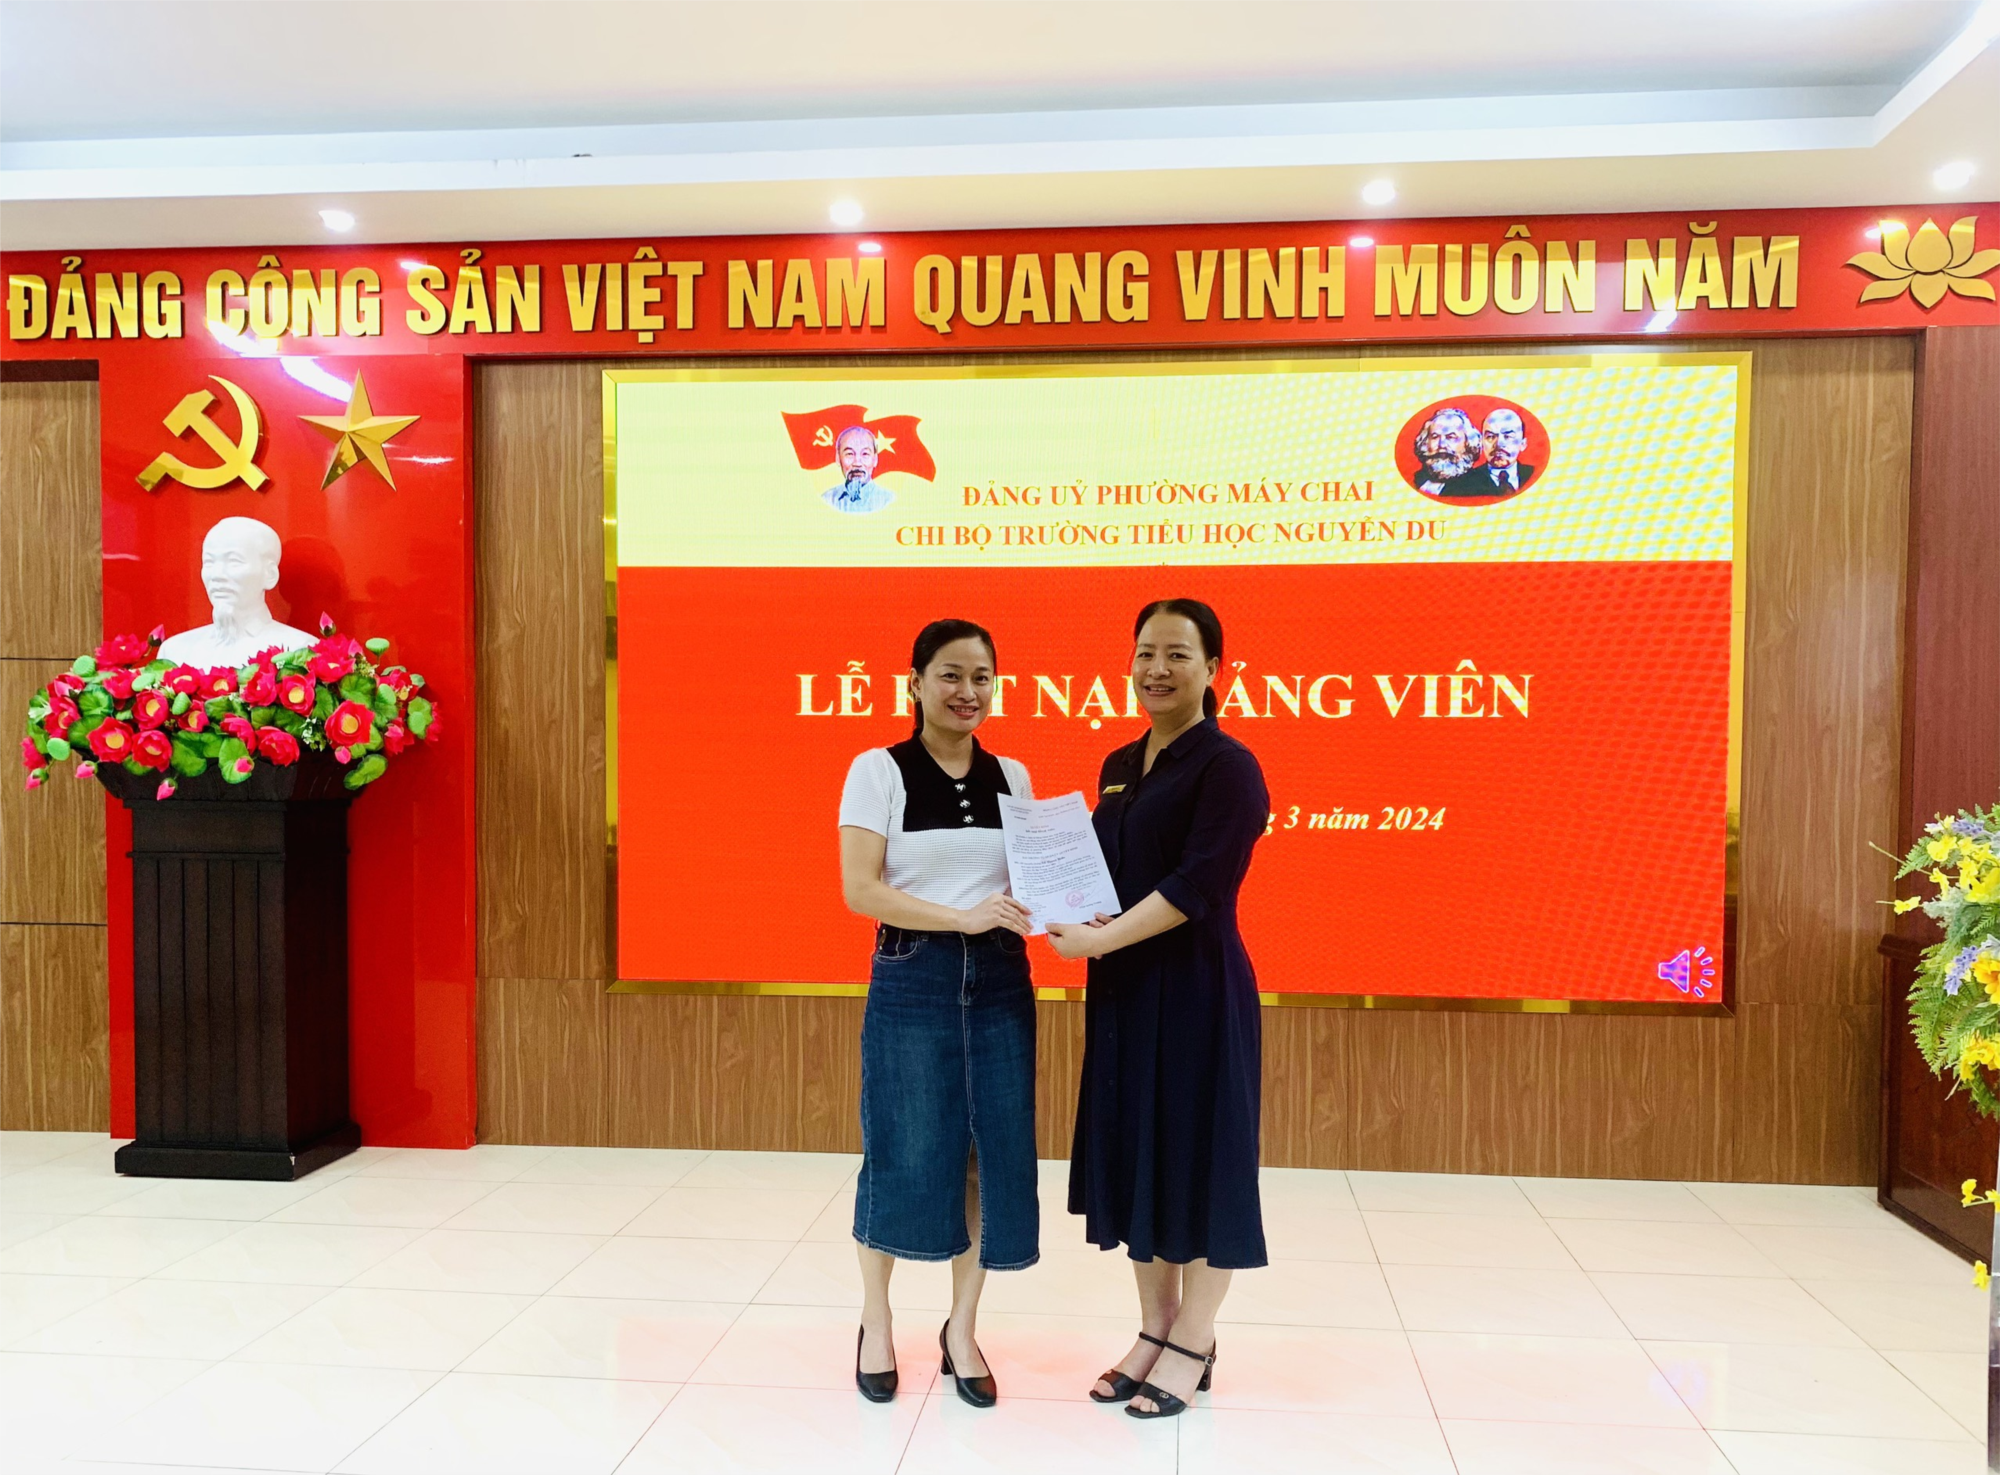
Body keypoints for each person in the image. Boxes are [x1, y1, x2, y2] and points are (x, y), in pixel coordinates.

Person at [1046, 598, 1269, 1421]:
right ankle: (1155, 1326)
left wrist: (1100, 940)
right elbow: (1101, 873)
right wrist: (1056, 902)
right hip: (1127, 994)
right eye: (1145, 652)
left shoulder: (1230, 767)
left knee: (1203, 1163)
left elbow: (1196, 884)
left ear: (1213, 668)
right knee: (1139, 1156)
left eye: (1177, 653)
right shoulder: (1119, 761)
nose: (1156, 669)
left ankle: (1195, 1339)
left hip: (1199, 992)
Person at [837, 619, 1038, 1408]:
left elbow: (1033, 883)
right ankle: (877, 1319)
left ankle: (962, 1327)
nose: (967, 691)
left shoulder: (1013, 776)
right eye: (951, 674)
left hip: (1000, 980)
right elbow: (861, 889)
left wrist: (1072, 907)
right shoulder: (877, 769)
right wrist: (960, 917)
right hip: (913, 975)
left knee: (990, 1152)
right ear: (915, 682)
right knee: (901, 1147)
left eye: (982, 677)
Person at [157, 516, 315, 667]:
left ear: (269, 575)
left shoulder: (299, 650)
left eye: (234, 561)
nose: (217, 575)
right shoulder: (174, 653)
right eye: (209, 562)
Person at [1438, 407, 1537, 497]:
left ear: (1523, 444)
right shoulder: (1459, 485)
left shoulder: (1535, 476)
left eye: (1508, 436)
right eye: (1490, 437)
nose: (1498, 444)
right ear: (1481, 442)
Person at [823, 424, 894, 514]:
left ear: (875, 459)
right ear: (838, 458)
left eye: (865, 454)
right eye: (849, 454)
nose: (857, 463)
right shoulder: (827, 500)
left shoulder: (889, 501)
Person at [1411, 406, 1480, 492]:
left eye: (1450, 437)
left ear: (1468, 443)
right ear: (1425, 442)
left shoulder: (1477, 485)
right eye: (1435, 437)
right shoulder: (1416, 480)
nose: (1442, 445)